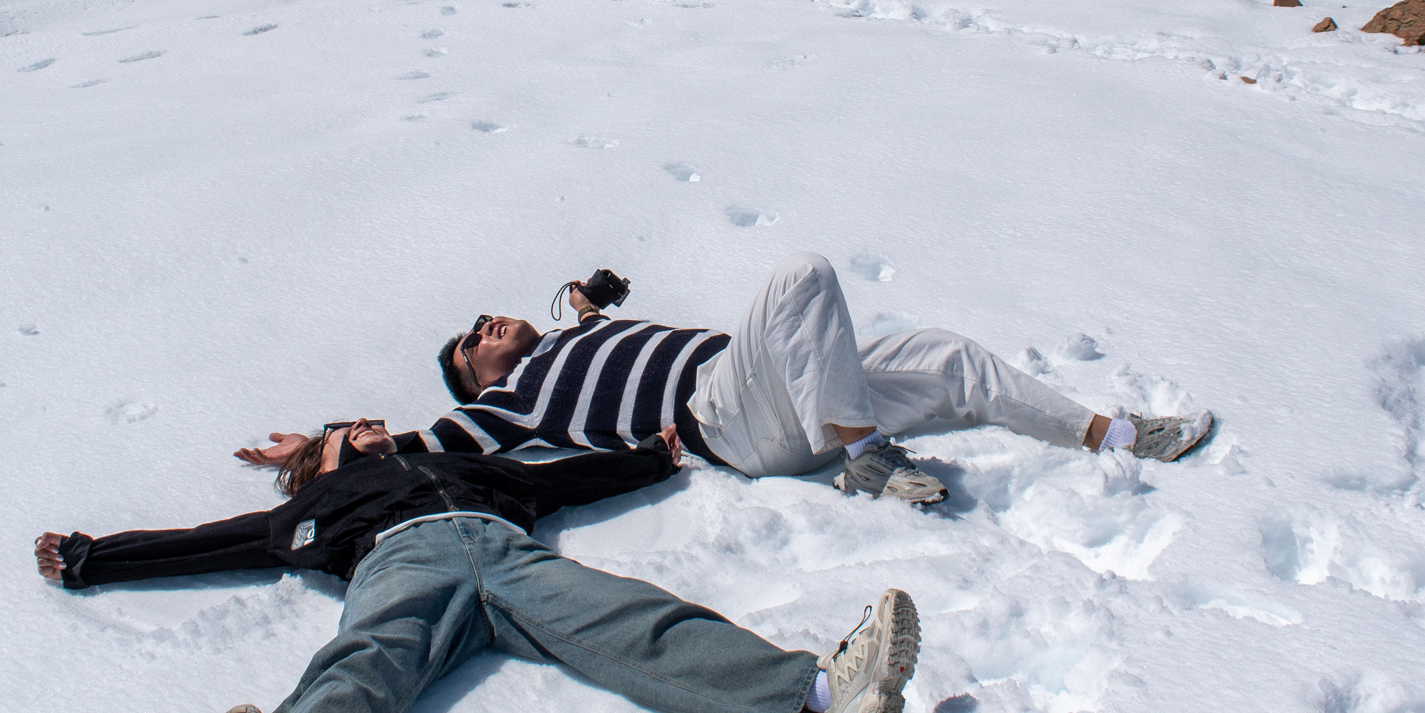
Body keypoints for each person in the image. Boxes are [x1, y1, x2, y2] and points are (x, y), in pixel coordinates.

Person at [34, 417, 921, 713]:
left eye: (378, 422)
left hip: (506, 549)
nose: (377, 427)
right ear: (322, 461)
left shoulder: (465, 468)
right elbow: (201, 541)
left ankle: (819, 691)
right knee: (369, 659)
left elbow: (564, 478)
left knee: (628, 616)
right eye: (355, 429)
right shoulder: (304, 508)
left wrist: (651, 461)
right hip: (399, 565)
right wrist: (89, 559)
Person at [366, 251, 1215, 506]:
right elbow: (426, 444)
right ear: (479, 381)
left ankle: (1120, 435)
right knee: (803, 279)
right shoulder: (518, 400)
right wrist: (333, 446)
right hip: (723, 420)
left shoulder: (568, 336)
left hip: (786, 393)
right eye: (472, 343)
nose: (486, 327)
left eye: (482, 318)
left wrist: (591, 298)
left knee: (947, 353)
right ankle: (868, 454)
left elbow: (589, 310)